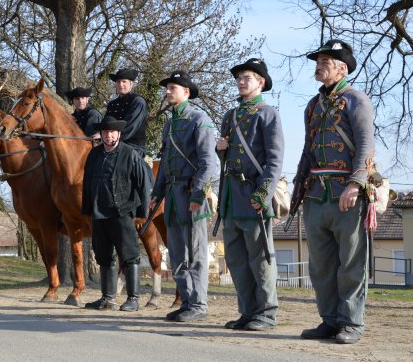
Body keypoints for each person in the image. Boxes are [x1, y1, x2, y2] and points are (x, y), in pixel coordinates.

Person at [295, 39, 375, 344]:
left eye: (325, 62)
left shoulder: (357, 100)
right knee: (321, 266)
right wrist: (298, 187)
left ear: (342, 69)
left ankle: (351, 322)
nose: (319, 66)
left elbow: (366, 146)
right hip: (316, 194)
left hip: (347, 193)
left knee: (351, 263)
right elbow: (308, 150)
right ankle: (329, 320)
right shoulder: (313, 106)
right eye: (318, 61)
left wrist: (355, 184)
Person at [216, 58, 284, 331]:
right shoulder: (229, 117)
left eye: (248, 77)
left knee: (261, 259)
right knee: (236, 260)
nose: (241, 81)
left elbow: (275, 160)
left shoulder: (268, 114)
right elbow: (226, 163)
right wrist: (221, 150)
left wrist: (263, 195)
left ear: (261, 83)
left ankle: (266, 314)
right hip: (232, 197)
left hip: (253, 196)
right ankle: (247, 311)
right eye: (239, 77)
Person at [149, 71, 216, 322]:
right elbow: (165, 162)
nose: (167, 92)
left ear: (186, 92)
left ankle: (198, 304)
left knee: (195, 251)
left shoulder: (199, 119)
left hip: (191, 193)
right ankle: (186, 300)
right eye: (167, 88)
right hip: (172, 195)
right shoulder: (169, 124)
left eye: (172, 88)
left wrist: (199, 193)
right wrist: (156, 193)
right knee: (176, 251)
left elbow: (208, 162)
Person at [81, 115, 153, 311]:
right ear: (101, 134)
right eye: (105, 131)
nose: (109, 135)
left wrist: (141, 212)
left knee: (129, 256)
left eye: (112, 131)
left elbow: (143, 183)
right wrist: (87, 209)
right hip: (99, 213)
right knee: (103, 256)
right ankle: (107, 298)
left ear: (119, 134)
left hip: (122, 212)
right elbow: (87, 183)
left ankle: (133, 298)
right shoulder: (94, 155)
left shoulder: (129, 154)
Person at [104, 68, 148, 156]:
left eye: (124, 81)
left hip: (133, 147)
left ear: (131, 84)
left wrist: (111, 141)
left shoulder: (137, 101)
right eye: (118, 82)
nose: (121, 84)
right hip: (112, 145)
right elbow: (105, 125)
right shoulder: (112, 104)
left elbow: (129, 128)